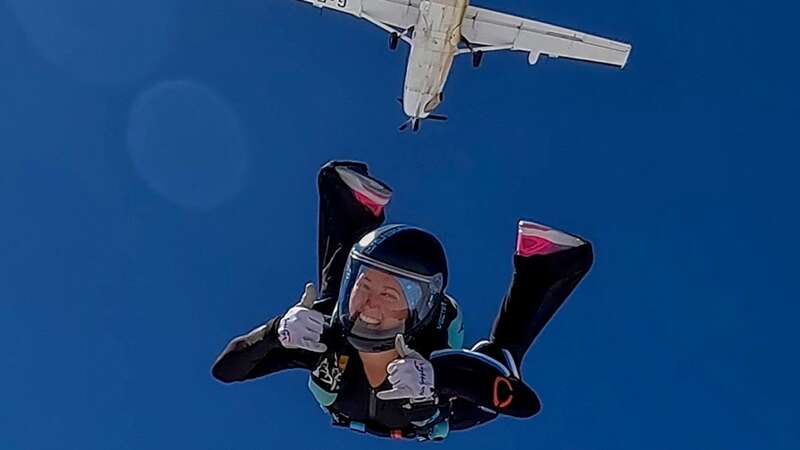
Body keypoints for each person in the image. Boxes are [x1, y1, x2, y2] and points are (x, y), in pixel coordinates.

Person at [211, 161, 594, 441]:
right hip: (373, 407)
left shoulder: (439, 364)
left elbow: (521, 403)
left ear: (417, 311)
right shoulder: (323, 337)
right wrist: (275, 331)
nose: (370, 305)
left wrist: (436, 379)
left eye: (390, 294)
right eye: (363, 286)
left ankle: (548, 265)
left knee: (502, 354)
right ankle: (351, 205)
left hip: (446, 410)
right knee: (326, 303)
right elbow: (227, 369)